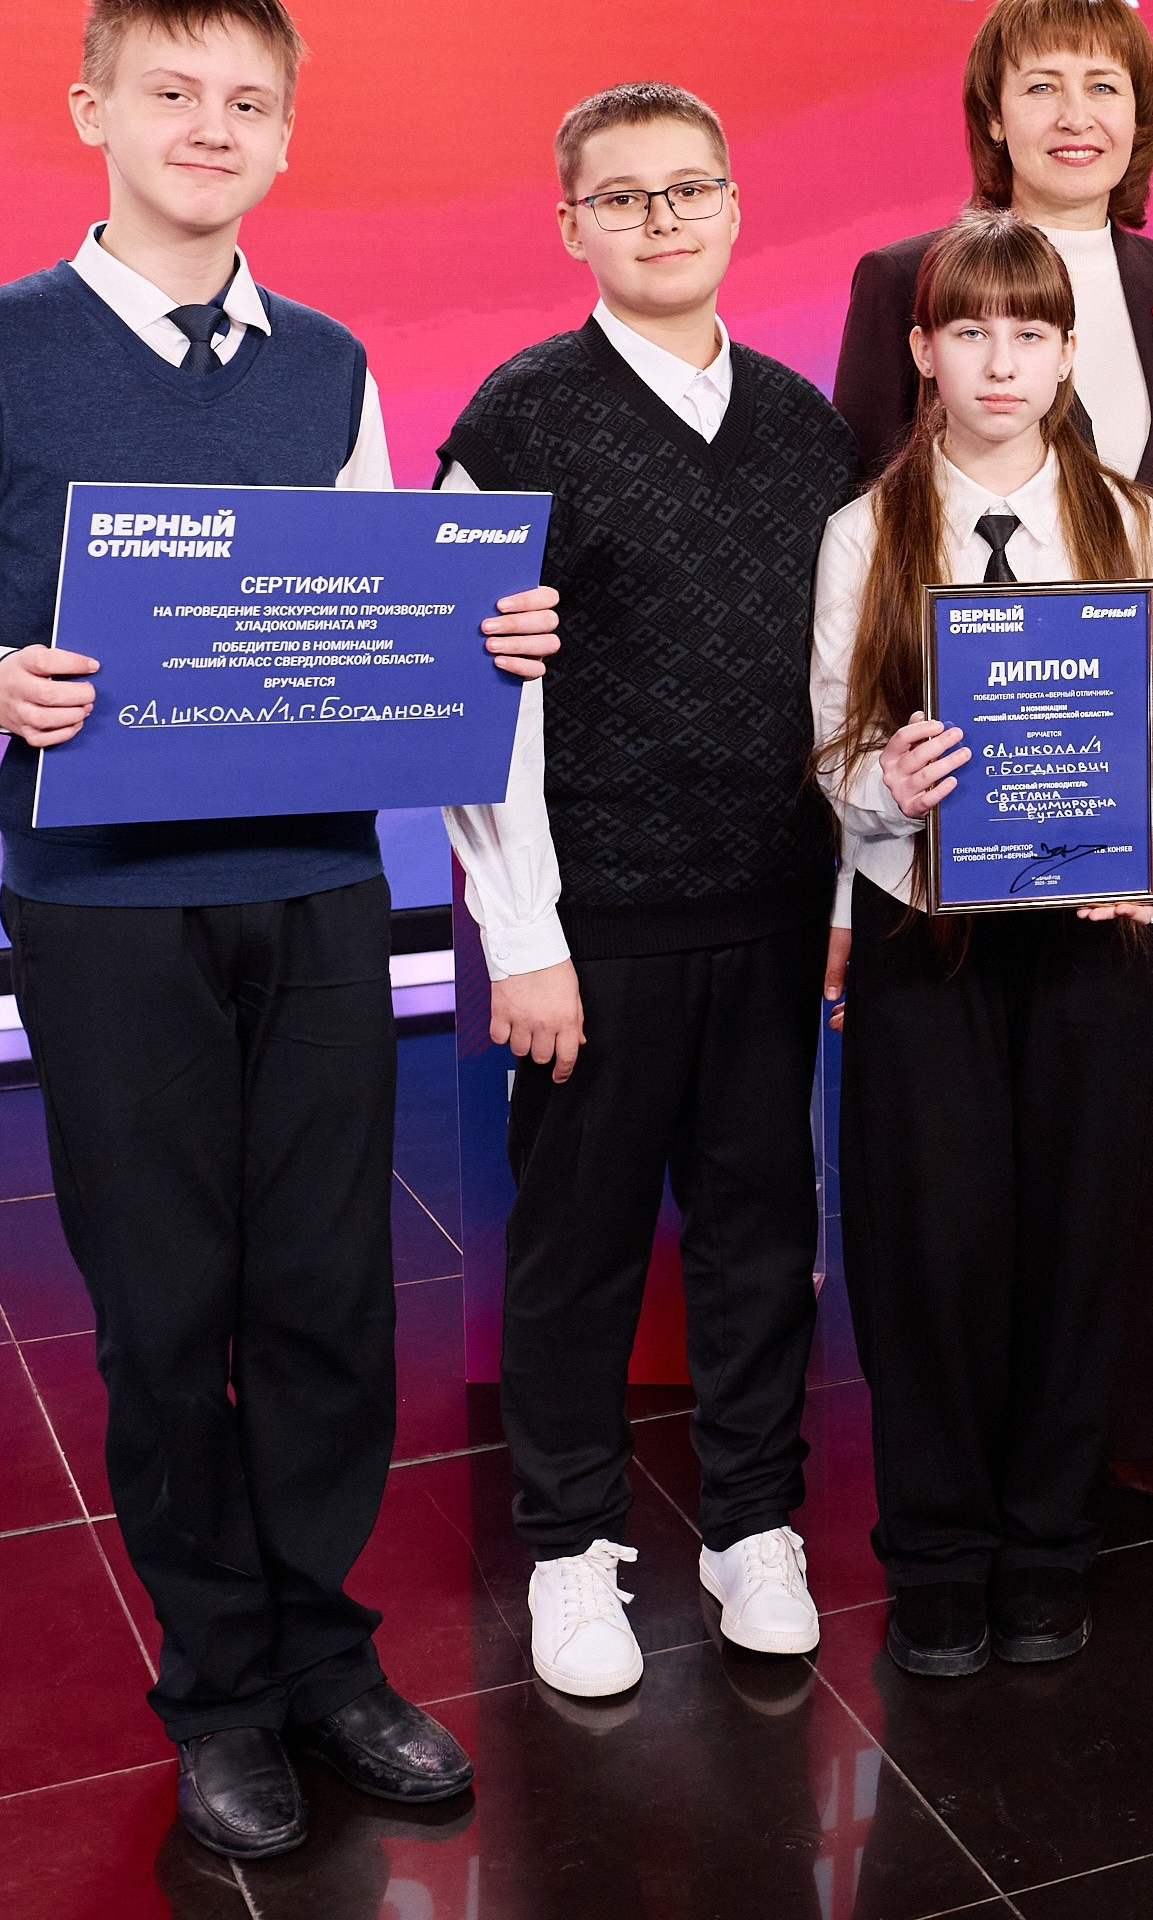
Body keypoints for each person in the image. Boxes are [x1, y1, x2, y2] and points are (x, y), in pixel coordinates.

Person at [0, 0, 559, 1859]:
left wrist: (469, 637)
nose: (208, 129)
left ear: (288, 138)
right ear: (93, 112)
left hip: (318, 889)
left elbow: (370, 604)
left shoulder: (330, 363)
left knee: (324, 1295)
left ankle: (325, 1654)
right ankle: (219, 1687)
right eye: (170, 92)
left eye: (245, 102)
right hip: (106, 910)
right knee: (166, 1308)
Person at [437, 83, 850, 1700]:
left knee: (760, 1233)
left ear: (736, 206)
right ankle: (570, 1547)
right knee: (580, 1248)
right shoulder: (517, 419)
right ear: (572, 228)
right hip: (592, 922)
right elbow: (475, 701)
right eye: (624, 196)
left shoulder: (809, 425)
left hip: (773, 905)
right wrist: (522, 935)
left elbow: (842, 681)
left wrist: (845, 891)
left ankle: (754, 1524)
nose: (663, 218)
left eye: (690, 189)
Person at [833, 0, 1153, 1500]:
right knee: (954, 1158)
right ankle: (967, 1456)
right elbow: (870, 522)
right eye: (1043, 84)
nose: (1076, 114)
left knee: (1112, 1125)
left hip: (1119, 801)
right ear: (992, 115)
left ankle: (1116, 1422)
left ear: (1143, 118)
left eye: (1105, 86)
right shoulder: (903, 277)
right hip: (936, 827)